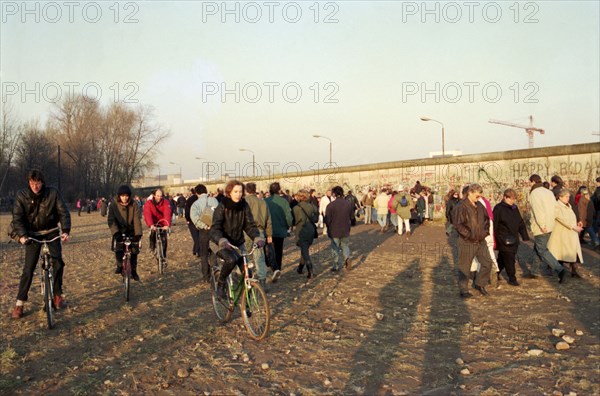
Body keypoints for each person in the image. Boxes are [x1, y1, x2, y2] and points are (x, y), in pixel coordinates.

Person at [11, 170, 71, 319]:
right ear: (28, 183)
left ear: (42, 182)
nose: (35, 186)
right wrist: (23, 236)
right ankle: (20, 303)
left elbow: (63, 212)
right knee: (28, 269)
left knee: (58, 262)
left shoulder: (53, 193)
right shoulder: (21, 196)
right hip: (32, 234)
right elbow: (17, 218)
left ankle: (57, 295)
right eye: (32, 183)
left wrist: (65, 230)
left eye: (37, 183)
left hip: (51, 231)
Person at [209, 180, 265, 300]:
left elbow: (249, 225)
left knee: (248, 273)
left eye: (240, 191)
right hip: (220, 242)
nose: (238, 194)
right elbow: (215, 228)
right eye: (235, 191)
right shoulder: (222, 206)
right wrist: (222, 240)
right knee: (231, 259)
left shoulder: (244, 206)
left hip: (237, 243)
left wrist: (257, 237)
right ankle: (221, 284)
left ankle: (247, 303)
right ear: (229, 192)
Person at [452, 184, 494, 298]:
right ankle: (463, 290)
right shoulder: (460, 206)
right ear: (470, 192)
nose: (479, 197)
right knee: (464, 267)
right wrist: (469, 235)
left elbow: (486, 220)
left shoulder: (480, 205)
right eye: (477, 194)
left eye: (480, 195)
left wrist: (484, 232)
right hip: (467, 241)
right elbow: (458, 225)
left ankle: (480, 284)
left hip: (481, 240)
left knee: (487, 263)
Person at [528, 174, 566, 282]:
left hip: (542, 227)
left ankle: (559, 269)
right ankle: (533, 272)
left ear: (533, 182)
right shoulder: (548, 192)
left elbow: (537, 211)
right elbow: (555, 208)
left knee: (542, 250)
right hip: (550, 225)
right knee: (538, 248)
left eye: (530, 183)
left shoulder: (534, 193)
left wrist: (542, 225)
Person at [492, 189, 529, 286]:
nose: (512, 201)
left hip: (513, 238)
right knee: (509, 258)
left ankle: (495, 273)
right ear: (505, 197)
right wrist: (493, 238)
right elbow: (494, 224)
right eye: (510, 199)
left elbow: (520, 222)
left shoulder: (514, 208)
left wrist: (524, 235)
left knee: (502, 259)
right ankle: (512, 278)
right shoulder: (498, 208)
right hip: (503, 238)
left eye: (513, 199)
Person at [108, 185, 143, 280]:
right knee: (118, 248)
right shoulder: (113, 204)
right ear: (119, 196)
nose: (125, 198)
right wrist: (115, 232)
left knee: (134, 251)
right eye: (122, 196)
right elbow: (111, 220)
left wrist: (138, 234)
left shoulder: (134, 204)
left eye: (126, 196)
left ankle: (134, 271)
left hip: (131, 229)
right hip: (119, 229)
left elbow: (137, 219)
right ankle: (119, 266)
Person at [548, 189, 584, 279]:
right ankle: (560, 271)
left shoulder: (568, 206)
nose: (568, 198)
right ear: (560, 197)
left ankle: (573, 271)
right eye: (566, 196)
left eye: (568, 196)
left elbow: (570, 217)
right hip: (562, 234)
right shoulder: (557, 206)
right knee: (560, 253)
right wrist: (573, 226)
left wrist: (577, 223)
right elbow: (561, 218)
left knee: (572, 253)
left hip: (571, 234)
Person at [244, 182, 273, 290]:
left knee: (244, 256)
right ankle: (262, 281)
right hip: (260, 231)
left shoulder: (244, 202)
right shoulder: (262, 202)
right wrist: (269, 234)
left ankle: (246, 279)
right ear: (255, 190)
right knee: (259, 257)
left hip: (246, 231)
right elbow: (268, 220)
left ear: (246, 190)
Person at [190, 184, 219, 282]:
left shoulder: (196, 204)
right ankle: (216, 273)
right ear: (206, 191)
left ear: (197, 193)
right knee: (215, 252)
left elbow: (195, 218)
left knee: (204, 254)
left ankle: (206, 277)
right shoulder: (214, 200)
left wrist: (204, 226)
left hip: (204, 231)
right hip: (215, 230)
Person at [265, 182, 292, 283]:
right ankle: (278, 269)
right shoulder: (284, 202)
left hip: (268, 230)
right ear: (279, 190)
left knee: (268, 249)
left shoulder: (265, 201)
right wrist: (289, 225)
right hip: (280, 229)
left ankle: (272, 266)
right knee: (279, 250)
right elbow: (288, 217)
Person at [325, 186, 353, 272]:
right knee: (345, 245)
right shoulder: (348, 204)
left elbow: (327, 220)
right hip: (345, 229)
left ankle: (335, 265)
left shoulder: (330, 205)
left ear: (334, 194)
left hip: (334, 230)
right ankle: (347, 258)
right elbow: (352, 217)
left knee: (335, 247)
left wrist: (328, 228)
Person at [292, 189, 319, 279]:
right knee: (305, 249)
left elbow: (293, 221)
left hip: (301, 231)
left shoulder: (295, 208)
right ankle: (300, 268)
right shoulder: (313, 207)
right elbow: (316, 219)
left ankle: (310, 270)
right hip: (311, 230)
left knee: (304, 250)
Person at [143, 188, 172, 263]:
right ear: (154, 195)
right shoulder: (148, 203)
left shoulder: (166, 202)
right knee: (153, 233)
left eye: (161, 196)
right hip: (153, 222)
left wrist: (166, 225)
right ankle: (152, 247)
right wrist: (151, 225)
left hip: (162, 222)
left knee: (164, 240)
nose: (159, 197)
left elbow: (167, 213)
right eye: (157, 195)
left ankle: (163, 257)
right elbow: (147, 214)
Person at [185, 187, 200, 257]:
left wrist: (187, 219)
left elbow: (187, 210)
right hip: (200, 219)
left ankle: (196, 250)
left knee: (196, 237)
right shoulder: (201, 199)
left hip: (191, 220)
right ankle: (197, 251)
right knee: (199, 236)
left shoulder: (189, 200)